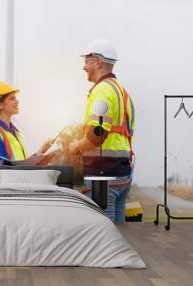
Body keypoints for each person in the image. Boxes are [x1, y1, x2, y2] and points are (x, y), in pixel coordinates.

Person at [69, 39, 135, 223]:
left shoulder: (102, 90)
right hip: (121, 173)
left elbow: (97, 135)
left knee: (103, 235)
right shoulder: (122, 92)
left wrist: (76, 145)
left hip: (103, 175)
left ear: (98, 62)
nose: (84, 67)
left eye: (87, 61)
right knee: (120, 235)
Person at [0, 81, 52, 165]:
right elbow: (0, 170)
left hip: (19, 178)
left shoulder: (14, 133)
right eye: (12, 98)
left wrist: (40, 152)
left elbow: (21, 164)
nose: (17, 101)